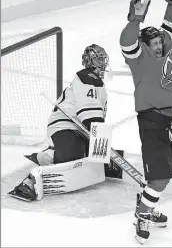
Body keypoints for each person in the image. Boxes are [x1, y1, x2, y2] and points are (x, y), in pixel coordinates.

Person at [120, 0, 172, 244]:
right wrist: (134, 20)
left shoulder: (168, 46)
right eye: (153, 43)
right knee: (159, 180)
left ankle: (144, 204)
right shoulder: (138, 57)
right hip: (152, 122)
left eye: (159, 41)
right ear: (145, 45)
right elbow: (127, 41)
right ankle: (143, 215)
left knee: (164, 177)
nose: (158, 46)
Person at [9, 44, 112, 201]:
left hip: (80, 128)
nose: (102, 62)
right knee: (73, 158)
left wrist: (101, 148)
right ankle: (43, 162)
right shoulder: (86, 77)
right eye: (98, 59)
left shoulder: (98, 83)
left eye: (103, 58)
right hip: (64, 125)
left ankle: (64, 151)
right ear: (89, 61)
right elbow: (91, 115)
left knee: (89, 159)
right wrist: (99, 141)